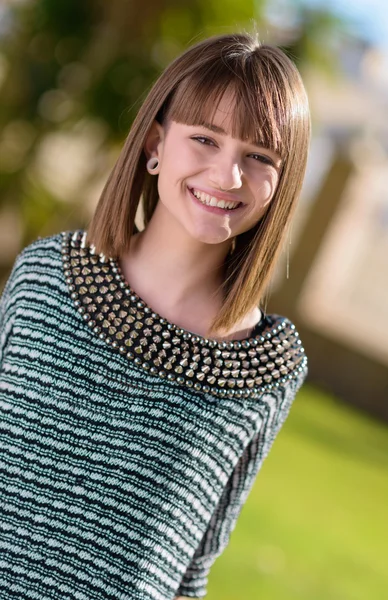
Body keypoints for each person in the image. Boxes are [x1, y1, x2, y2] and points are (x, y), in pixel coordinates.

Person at [0, 32, 310, 600]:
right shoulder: (45, 277)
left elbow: (192, 569)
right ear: (154, 144)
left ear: (282, 183)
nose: (227, 175)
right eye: (205, 140)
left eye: (259, 156)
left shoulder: (267, 370)